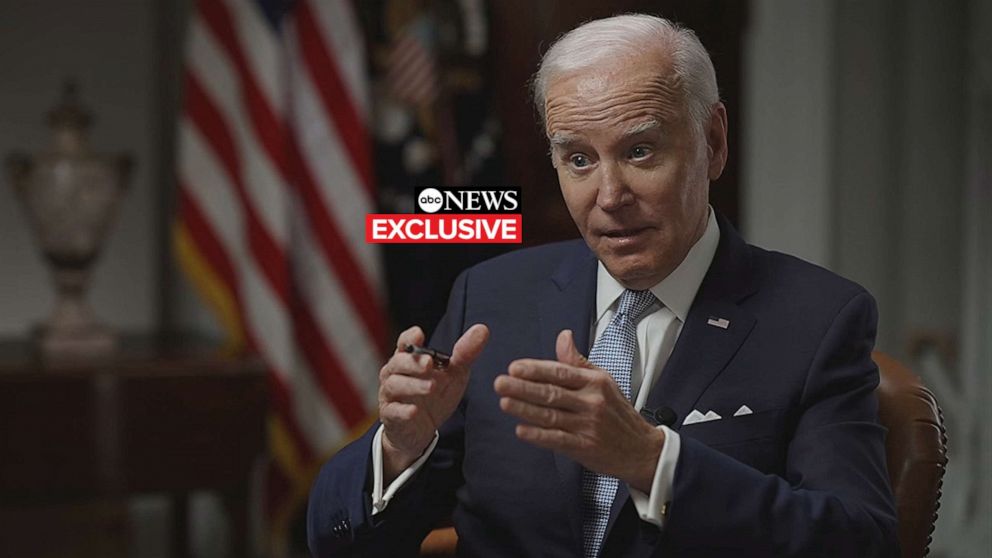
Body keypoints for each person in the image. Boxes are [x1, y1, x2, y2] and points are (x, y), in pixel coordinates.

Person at [308, 14, 898, 557]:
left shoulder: (818, 319)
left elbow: (858, 541)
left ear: (713, 142)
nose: (610, 197)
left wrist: (651, 460)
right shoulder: (490, 298)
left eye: (640, 152)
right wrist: (400, 447)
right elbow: (342, 546)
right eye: (579, 160)